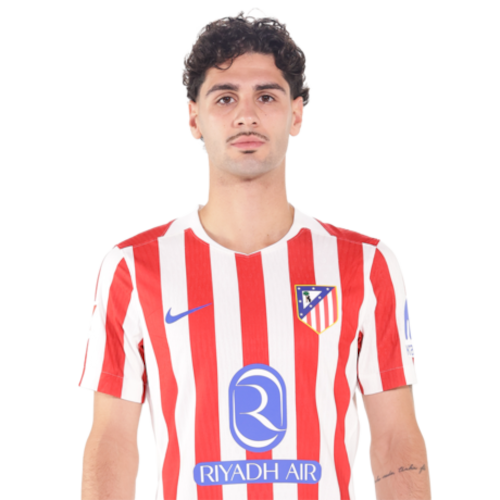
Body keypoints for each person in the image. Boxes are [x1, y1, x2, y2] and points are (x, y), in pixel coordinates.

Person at [79, 8, 431, 500]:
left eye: (266, 96)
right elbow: (113, 438)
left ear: (296, 113)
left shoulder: (366, 263)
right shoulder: (133, 266)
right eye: (225, 97)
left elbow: (394, 435)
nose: (246, 115)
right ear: (194, 117)